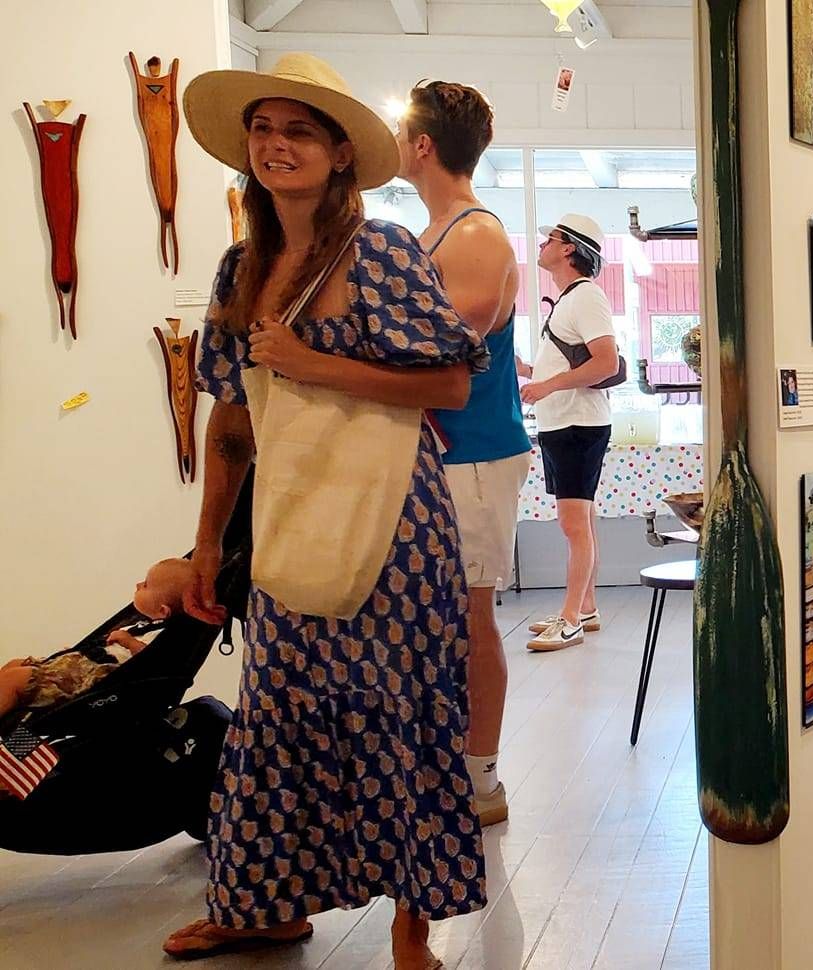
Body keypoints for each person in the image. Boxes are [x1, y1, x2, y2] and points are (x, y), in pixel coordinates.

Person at [162, 53, 486, 970]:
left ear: (342, 152)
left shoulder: (379, 250)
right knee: (275, 712)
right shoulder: (241, 267)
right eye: (263, 130)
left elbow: (452, 383)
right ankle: (261, 905)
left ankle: (411, 930)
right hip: (295, 514)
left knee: (400, 710)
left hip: (395, 526)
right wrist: (204, 545)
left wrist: (313, 365)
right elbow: (232, 419)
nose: (277, 145)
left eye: (299, 130)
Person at [395, 79, 524, 828]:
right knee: (437, 617)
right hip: (437, 452)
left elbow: (440, 353)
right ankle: (444, 763)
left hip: (472, 450)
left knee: (471, 615)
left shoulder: (474, 236)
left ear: (422, 144)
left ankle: (482, 778)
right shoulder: (434, 233)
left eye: (402, 130)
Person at [521, 213, 619, 652]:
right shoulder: (571, 299)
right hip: (566, 422)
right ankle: (585, 608)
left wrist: (547, 386)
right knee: (582, 520)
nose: (542, 245)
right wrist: (530, 371)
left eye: (551, 239)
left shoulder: (585, 296)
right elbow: (572, 363)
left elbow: (606, 363)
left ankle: (570, 619)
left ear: (568, 249)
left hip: (577, 423)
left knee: (573, 523)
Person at [0, 560, 200, 723]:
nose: (138, 585)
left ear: (163, 610)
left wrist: (128, 642)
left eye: (146, 585)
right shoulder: (141, 624)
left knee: (17, 679)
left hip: (91, 683)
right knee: (14, 665)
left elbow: (152, 662)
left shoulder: (160, 636)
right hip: (79, 667)